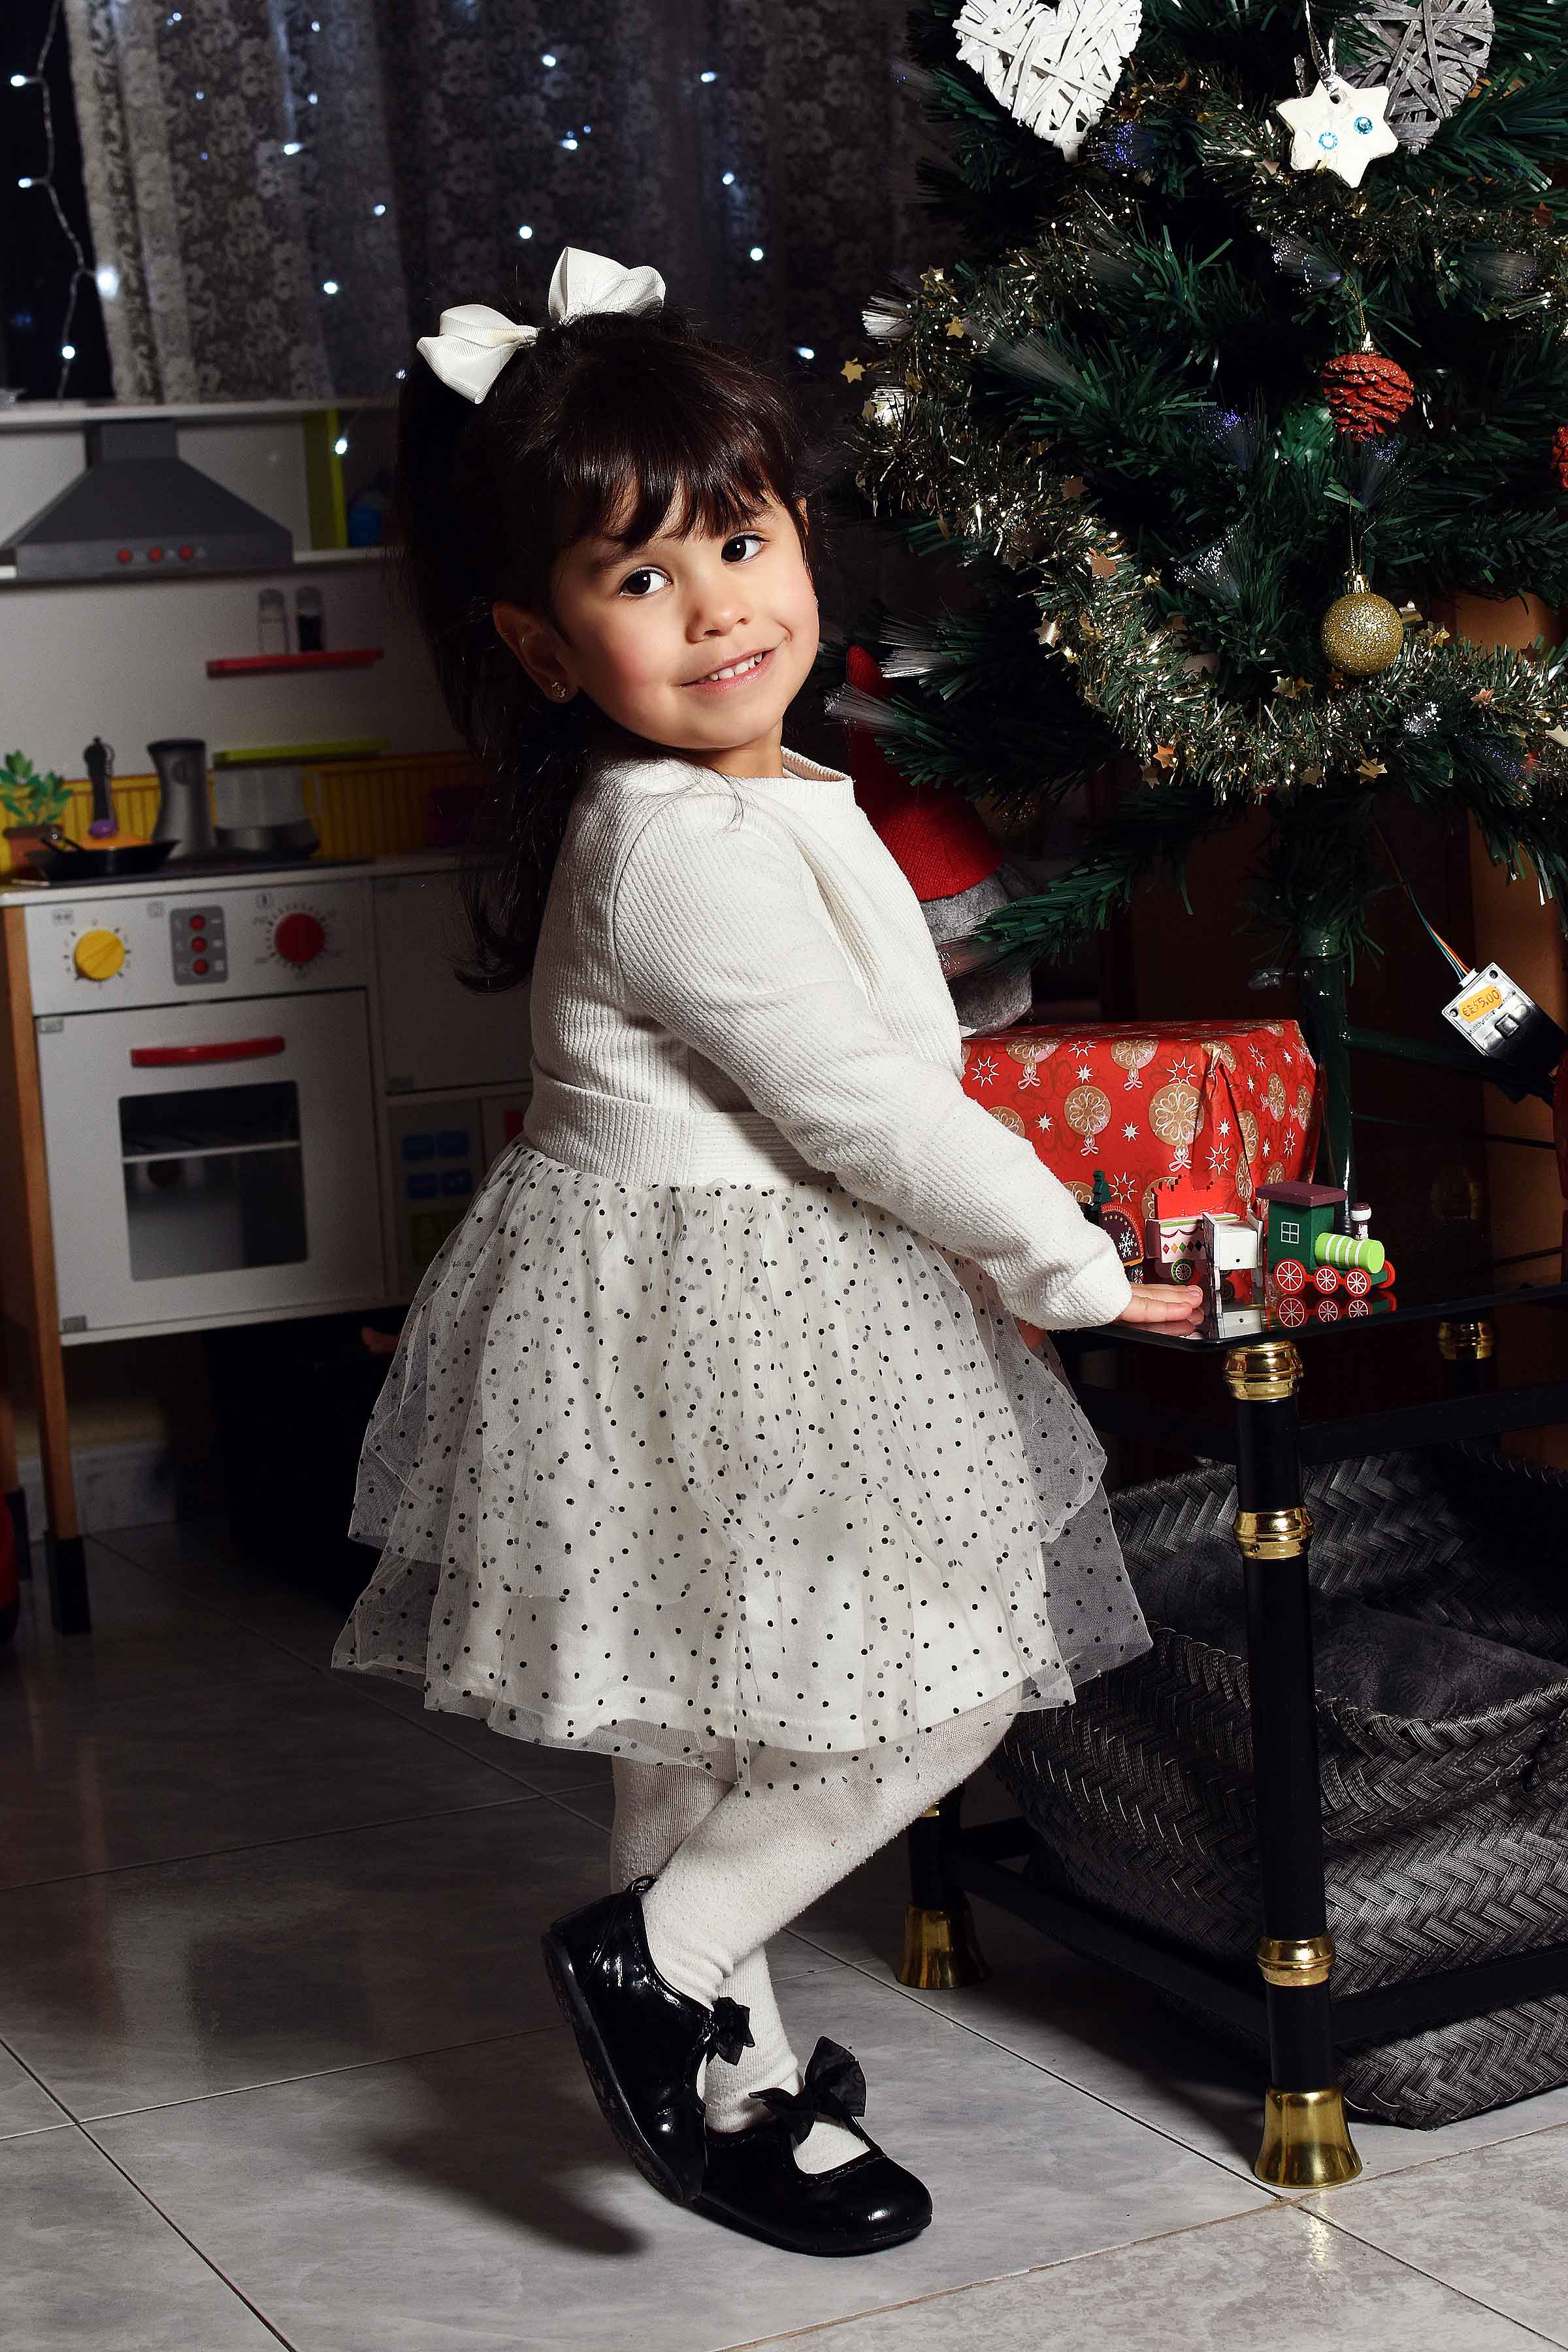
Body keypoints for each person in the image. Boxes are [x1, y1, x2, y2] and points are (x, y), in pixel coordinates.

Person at [333, 246, 1203, 2259]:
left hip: (722, 1287)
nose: (721, 606)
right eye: (641, 580)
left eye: (740, 541)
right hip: (722, 1301)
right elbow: (862, 1106)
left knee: (713, 1700)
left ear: (802, 531)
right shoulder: (676, 844)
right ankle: (656, 1957)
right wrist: (1072, 1267)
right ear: (544, 647)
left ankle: (725, 2081)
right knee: (941, 1674)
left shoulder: (759, 789)